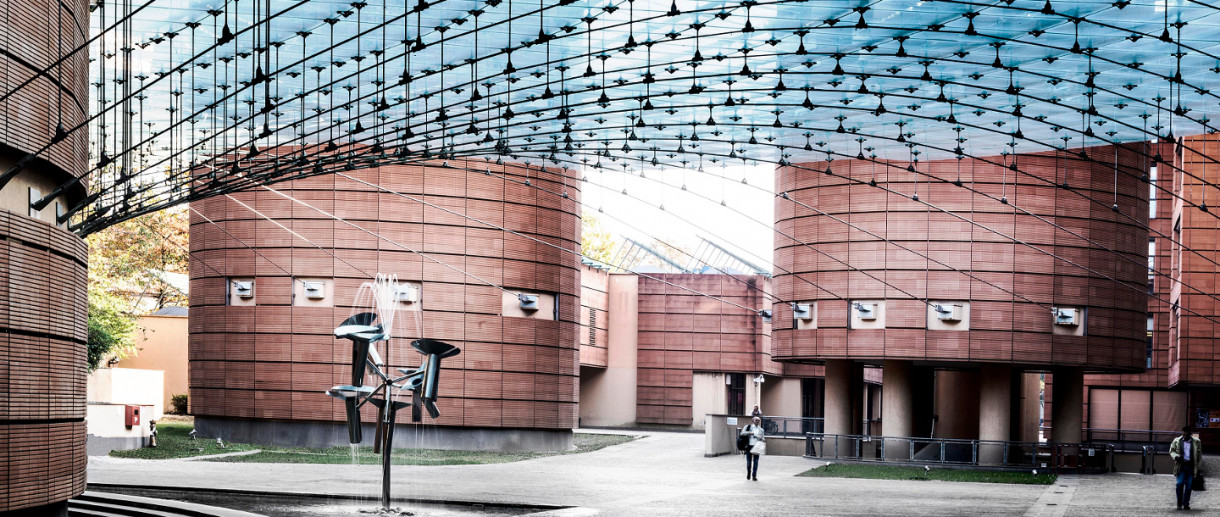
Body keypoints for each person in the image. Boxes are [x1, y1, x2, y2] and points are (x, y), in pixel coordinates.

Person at [1170, 425, 1203, 510]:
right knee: (1179, 483)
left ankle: (1186, 504)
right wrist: (1176, 456)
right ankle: (1179, 502)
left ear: (1190, 434)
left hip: (1191, 467)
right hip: (1181, 466)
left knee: (1189, 486)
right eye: (1183, 434)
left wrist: (1199, 469)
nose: (1184, 435)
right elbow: (1172, 451)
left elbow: (1199, 456)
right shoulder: (1177, 441)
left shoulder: (1197, 442)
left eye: (1186, 434)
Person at [740, 416, 766, 481]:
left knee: (756, 462)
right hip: (749, 446)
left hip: (757, 446)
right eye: (756, 420)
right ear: (753, 420)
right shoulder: (748, 427)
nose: (757, 421)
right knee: (749, 462)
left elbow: (763, 438)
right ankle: (748, 473)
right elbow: (742, 433)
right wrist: (749, 433)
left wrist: (761, 438)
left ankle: (754, 475)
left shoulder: (761, 429)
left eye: (758, 420)